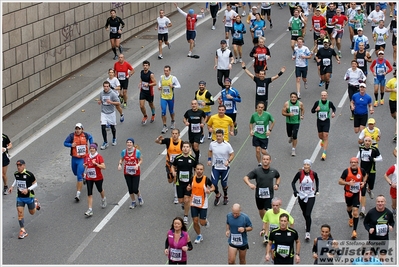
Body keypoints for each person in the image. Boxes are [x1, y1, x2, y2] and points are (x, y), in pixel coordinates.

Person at [8, 160, 40, 239]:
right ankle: (22, 230)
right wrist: (12, 186)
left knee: (32, 212)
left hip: (29, 197)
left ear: (24, 166)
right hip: (20, 197)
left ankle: (35, 204)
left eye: (20, 165)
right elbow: (17, 180)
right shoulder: (16, 174)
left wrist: (28, 189)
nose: (18, 167)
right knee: (20, 213)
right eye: (17, 166)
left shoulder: (29, 174)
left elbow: (35, 184)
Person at [243, 154, 281, 221]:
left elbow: (278, 177)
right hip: (259, 195)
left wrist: (277, 185)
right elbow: (246, 178)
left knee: (268, 211)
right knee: (261, 210)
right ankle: (264, 222)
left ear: (270, 161)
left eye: (267, 159)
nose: (265, 161)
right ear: (262, 160)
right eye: (264, 159)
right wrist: (250, 184)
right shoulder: (257, 171)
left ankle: (267, 225)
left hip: (269, 195)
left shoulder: (273, 171)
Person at [338, 157, 367, 239]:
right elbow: (339, 181)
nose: (353, 164)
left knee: (355, 211)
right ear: (350, 163)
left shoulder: (361, 170)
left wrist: (363, 182)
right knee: (349, 208)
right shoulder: (346, 171)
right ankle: (350, 218)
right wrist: (348, 183)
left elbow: (365, 175)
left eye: (355, 162)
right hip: (348, 193)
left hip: (357, 194)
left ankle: (354, 231)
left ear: (357, 163)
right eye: (352, 162)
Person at [64, 123, 94, 201]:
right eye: (76, 129)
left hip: (83, 158)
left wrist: (92, 145)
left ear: (82, 129)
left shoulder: (86, 135)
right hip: (74, 158)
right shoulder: (71, 136)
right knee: (75, 172)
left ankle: (78, 194)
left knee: (78, 176)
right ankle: (84, 175)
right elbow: (65, 143)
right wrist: (71, 145)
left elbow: (91, 138)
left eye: (79, 129)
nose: (77, 130)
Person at [292, 159, 320, 241]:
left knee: (308, 214)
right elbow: (293, 182)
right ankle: (307, 222)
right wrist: (295, 190)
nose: (306, 166)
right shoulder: (300, 173)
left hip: (311, 195)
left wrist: (317, 189)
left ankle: (307, 232)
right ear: (303, 166)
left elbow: (317, 180)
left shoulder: (314, 174)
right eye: (305, 165)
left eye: (308, 165)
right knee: (304, 212)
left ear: (310, 166)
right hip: (302, 195)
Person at [187, 163, 215, 244]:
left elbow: (213, 187)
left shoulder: (206, 179)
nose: (199, 171)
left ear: (203, 170)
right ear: (195, 170)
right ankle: (199, 235)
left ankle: (205, 221)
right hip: (194, 203)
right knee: (195, 221)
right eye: (198, 169)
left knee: (201, 223)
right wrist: (188, 188)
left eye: (201, 169)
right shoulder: (192, 178)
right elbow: (188, 187)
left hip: (203, 204)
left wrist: (210, 190)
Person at [357, 136, 383, 218]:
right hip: (363, 171)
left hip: (371, 171)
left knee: (371, 186)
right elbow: (357, 157)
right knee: (362, 189)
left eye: (369, 141)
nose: (367, 142)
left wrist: (374, 159)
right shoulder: (361, 148)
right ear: (364, 142)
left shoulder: (374, 149)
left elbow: (381, 158)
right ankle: (363, 209)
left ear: (371, 142)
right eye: (366, 141)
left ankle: (369, 190)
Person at [155, 128, 183, 204]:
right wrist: (158, 138)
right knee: (170, 180)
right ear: (171, 134)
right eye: (173, 133)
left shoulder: (182, 143)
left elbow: (187, 151)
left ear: (179, 134)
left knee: (175, 178)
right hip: (169, 163)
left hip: (178, 164)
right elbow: (157, 142)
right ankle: (175, 185)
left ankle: (176, 196)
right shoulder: (168, 141)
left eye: (176, 133)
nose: (174, 135)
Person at [172, 142, 197, 225]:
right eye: (184, 147)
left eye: (187, 147)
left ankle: (185, 216)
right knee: (181, 200)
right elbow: (173, 166)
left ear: (190, 149)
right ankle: (183, 204)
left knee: (187, 200)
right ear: (182, 148)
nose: (185, 148)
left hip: (188, 183)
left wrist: (195, 178)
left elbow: (196, 169)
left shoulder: (192, 159)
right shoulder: (178, 158)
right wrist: (173, 172)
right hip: (179, 182)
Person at [208, 129, 234, 206]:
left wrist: (228, 161)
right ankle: (218, 194)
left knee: (224, 184)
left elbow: (232, 154)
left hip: (224, 168)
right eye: (217, 136)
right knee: (214, 184)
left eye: (220, 136)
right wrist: (209, 160)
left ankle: (225, 196)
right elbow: (210, 151)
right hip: (215, 167)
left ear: (223, 136)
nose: (218, 137)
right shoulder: (212, 144)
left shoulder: (227, 145)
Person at [117, 138, 144, 209]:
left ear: (133, 144)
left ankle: (139, 196)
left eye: (130, 142)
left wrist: (137, 165)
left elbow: (141, 160)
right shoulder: (124, 152)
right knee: (130, 188)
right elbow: (121, 159)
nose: (129, 144)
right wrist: (120, 164)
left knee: (135, 189)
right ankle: (133, 201)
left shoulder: (137, 152)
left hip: (136, 173)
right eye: (128, 142)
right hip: (127, 173)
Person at [311, 91, 336, 161]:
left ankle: (324, 153)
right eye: (322, 95)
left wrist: (333, 113)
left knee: (325, 135)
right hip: (319, 121)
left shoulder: (329, 103)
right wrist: (316, 109)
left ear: (327, 96)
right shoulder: (317, 103)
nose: (323, 96)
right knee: (320, 136)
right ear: (320, 96)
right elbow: (312, 111)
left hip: (326, 121)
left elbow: (334, 108)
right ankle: (322, 140)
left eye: (324, 95)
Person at [83, 143, 107, 217]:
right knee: (89, 193)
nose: (92, 149)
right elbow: (86, 166)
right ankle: (90, 209)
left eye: (93, 148)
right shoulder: (87, 156)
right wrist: (85, 167)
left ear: (96, 149)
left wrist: (96, 164)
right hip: (89, 177)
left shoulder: (99, 157)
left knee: (100, 189)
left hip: (98, 177)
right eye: (91, 148)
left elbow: (103, 167)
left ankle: (103, 199)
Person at [249, 101, 275, 166]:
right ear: (256, 108)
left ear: (264, 108)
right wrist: (251, 130)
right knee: (257, 150)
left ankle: (268, 157)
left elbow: (273, 121)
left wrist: (269, 130)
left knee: (263, 151)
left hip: (264, 135)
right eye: (259, 107)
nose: (260, 108)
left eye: (262, 107)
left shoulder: (267, 114)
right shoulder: (254, 115)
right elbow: (251, 123)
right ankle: (259, 163)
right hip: (256, 135)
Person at [158, 65, 181, 133]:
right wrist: (159, 87)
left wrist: (173, 86)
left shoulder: (173, 78)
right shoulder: (161, 77)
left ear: (170, 71)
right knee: (163, 112)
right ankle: (164, 126)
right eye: (165, 71)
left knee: (171, 111)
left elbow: (179, 85)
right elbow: (160, 82)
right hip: (163, 97)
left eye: (167, 71)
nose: (166, 72)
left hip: (170, 97)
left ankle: (173, 120)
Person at [98, 81, 120, 150]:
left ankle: (114, 138)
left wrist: (111, 102)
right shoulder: (101, 93)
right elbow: (101, 100)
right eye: (105, 86)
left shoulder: (112, 94)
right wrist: (100, 102)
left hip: (111, 113)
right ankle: (105, 142)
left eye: (107, 86)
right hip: (104, 112)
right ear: (103, 87)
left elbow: (118, 103)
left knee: (112, 127)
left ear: (109, 87)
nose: (106, 88)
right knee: (103, 127)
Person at [282, 92, 305, 157]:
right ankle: (290, 136)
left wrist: (302, 115)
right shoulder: (287, 104)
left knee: (295, 135)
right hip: (289, 122)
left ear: (297, 98)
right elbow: (283, 113)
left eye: (294, 97)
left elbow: (303, 109)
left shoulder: (300, 104)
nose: (293, 98)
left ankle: (293, 149)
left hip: (296, 122)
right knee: (289, 134)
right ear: (290, 98)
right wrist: (288, 114)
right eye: (292, 97)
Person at [138, 60, 157, 125]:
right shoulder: (141, 72)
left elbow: (155, 83)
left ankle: (153, 114)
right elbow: (141, 79)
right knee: (141, 106)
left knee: (151, 104)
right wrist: (140, 83)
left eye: (146, 65)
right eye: (144, 65)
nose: (145, 67)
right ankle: (145, 116)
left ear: (149, 66)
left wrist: (148, 84)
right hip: (143, 91)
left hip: (149, 92)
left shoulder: (151, 74)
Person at [384, 147, 397, 215]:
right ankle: (394, 211)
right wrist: (390, 183)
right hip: (395, 189)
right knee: (394, 205)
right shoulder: (394, 167)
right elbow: (385, 175)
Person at [385, 69, 397, 142]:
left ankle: (396, 134)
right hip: (392, 100)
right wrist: (393, 90)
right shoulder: (392, 80)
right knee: (393, 115)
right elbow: (386, 89)